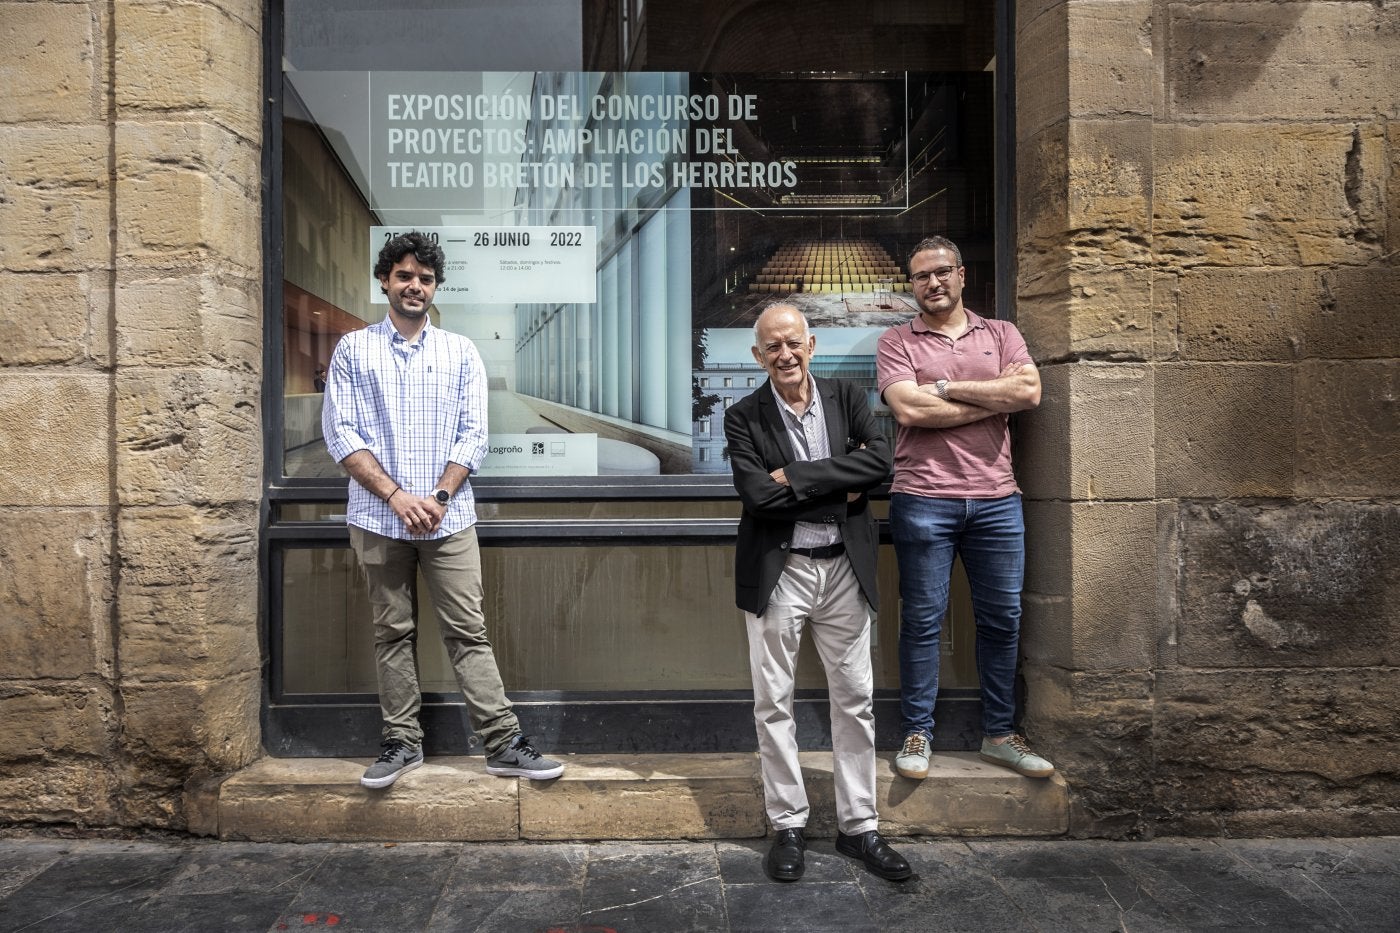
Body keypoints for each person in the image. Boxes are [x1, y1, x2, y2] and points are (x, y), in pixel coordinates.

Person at [322, 231, 564, 789]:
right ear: (385, 280)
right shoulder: (354, 350)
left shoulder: (459, 352)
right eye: (404, 276)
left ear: (435, 287)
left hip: (447, 518)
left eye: (425, 279)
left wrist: (436, 498)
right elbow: (341, 432)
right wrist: (397, 496)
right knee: (392, 632)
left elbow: (473, 435)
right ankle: (401, 743)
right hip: (379, 519)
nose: (414, 286)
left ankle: (503, 743)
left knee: (468, 631)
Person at [725, 303, 911, 883]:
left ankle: (860, 828)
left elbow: (882, 463)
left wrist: (800, 478)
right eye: (772, 347)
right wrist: (840, 481)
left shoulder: (847, 398)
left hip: (843, 570)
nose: (785, 355)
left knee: (855, 698)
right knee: (773, 702)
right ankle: (788, 824)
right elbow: (758, 496)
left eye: (793, 343)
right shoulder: (743, 416)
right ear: (759, 356)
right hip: (782, 572)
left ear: (812, 343)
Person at [876, 236, 1054, 782]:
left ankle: (1000, 734)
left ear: (961, 274)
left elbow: (1028, 393)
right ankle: (917, 733)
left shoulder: (1001, 333)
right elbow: (908, 409)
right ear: (912, 285)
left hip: (998, 501)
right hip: (923, 499)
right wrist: (988, 398)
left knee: (1002, 620)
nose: (931, 283)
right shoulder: (896, 340)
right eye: (920, 276)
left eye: (941, 272)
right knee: (923, 622)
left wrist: (949, 388)